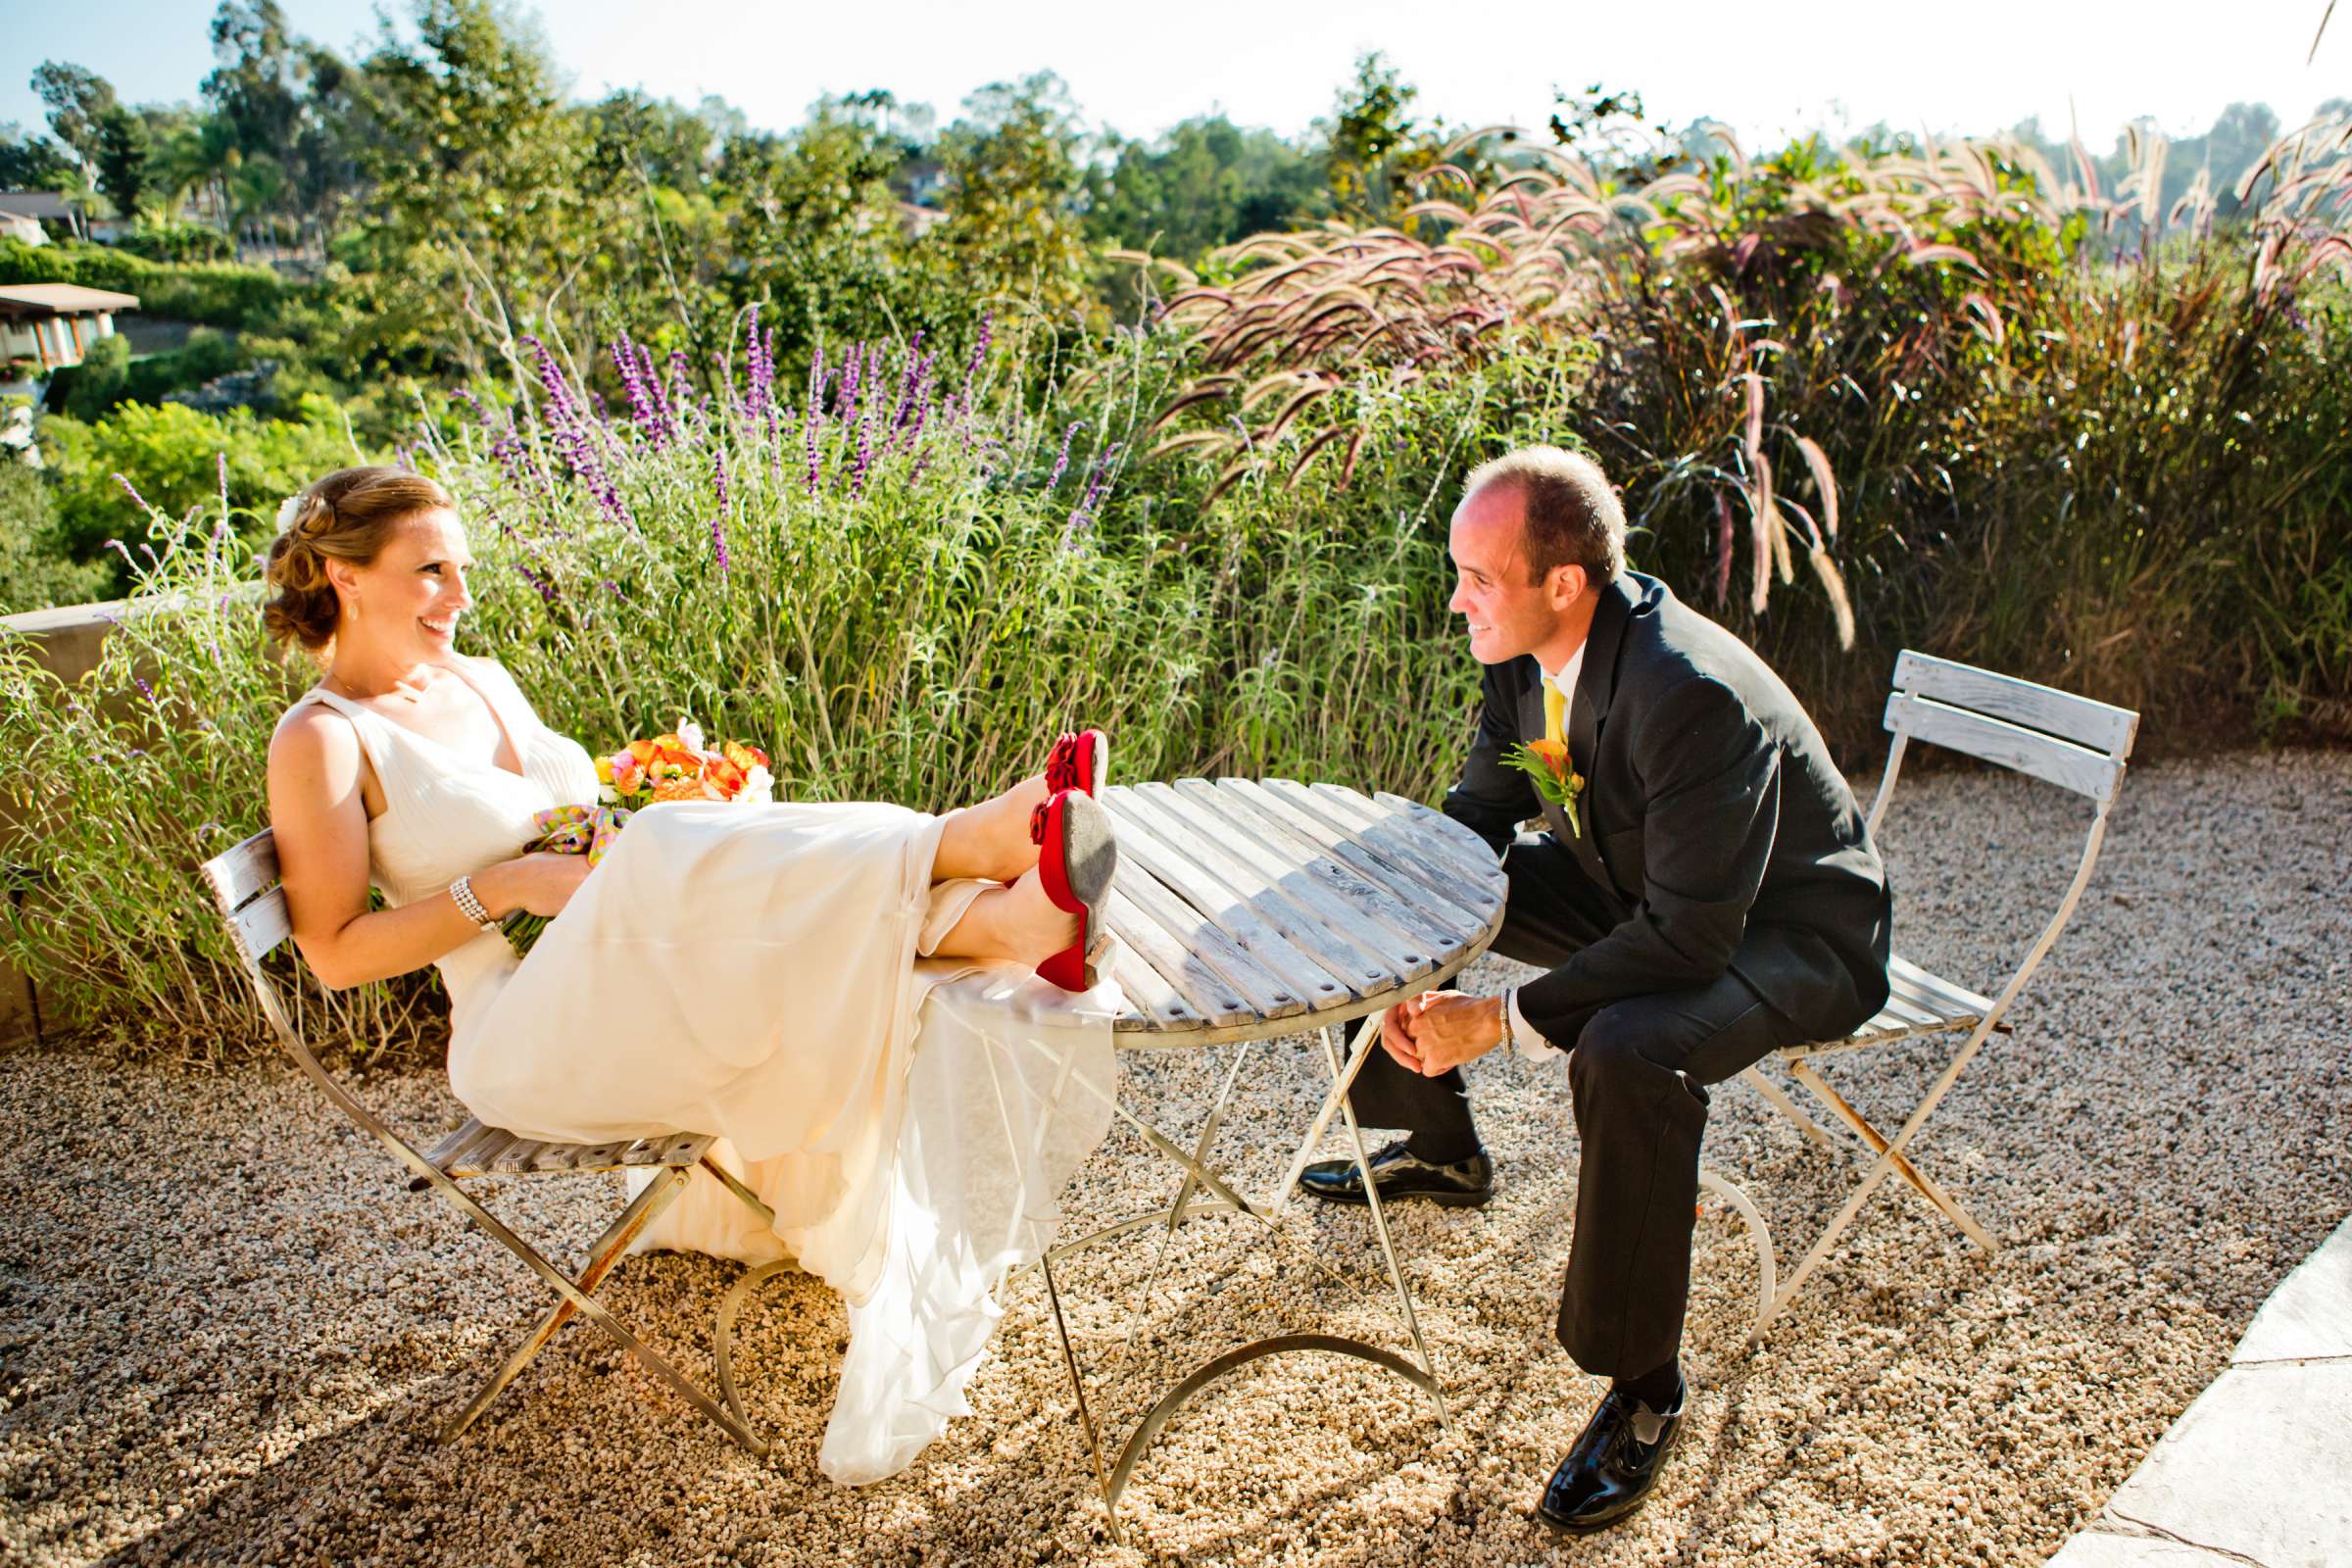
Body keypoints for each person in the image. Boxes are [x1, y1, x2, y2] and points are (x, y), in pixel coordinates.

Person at [262, 465, 1120, 1481]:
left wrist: (645, 802)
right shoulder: (321, 738)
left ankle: (1004, 915)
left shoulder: (477, 679)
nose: (460, 595)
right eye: (431, 571)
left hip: (624, 977)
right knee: (679, 846)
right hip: (522, 1034)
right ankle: (978, 862)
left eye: (462, 568)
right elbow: (333, 953)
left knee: (706, 848)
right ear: (341, 576)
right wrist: (501, 886)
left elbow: (576, 823)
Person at [1297, 446, 1891, 1533]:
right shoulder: (1523, 650)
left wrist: (1502, 1019)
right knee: (1409, 876)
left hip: (1789, 933)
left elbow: (1689, 938)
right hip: (1652, 889)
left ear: (1561, 582)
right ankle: (1440, 1146)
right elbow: (1479, 810)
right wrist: (1401, 901)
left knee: (1628, 1049)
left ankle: (1646, 1388)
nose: (1457, 598)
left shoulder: (1686, 694)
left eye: (1478, 577)